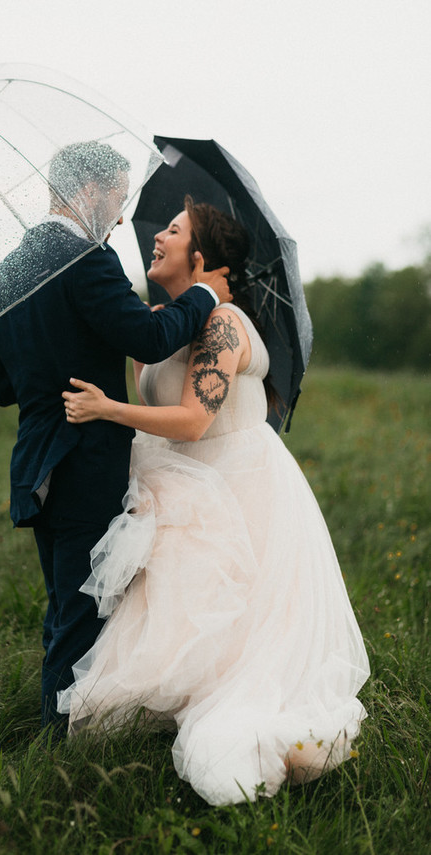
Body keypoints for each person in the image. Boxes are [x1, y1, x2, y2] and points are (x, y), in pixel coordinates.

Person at [58, 197, 370, 805]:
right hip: (181, 491)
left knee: (240, 633)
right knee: (183, 617)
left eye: (172, 232)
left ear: (200, 258)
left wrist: (106, 408)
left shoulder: (222, 324)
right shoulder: (162, 322)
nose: (157, 240)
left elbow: (195, 420)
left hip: (238, 487)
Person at [0, 144, 232, 733]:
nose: (121, 217)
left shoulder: (0, 278)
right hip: (85, 459)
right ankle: (58, 750)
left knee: (64, 602)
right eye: (118, 198)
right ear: (89, 189)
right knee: (83, 611)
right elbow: (147, 337)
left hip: (34, 463)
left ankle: (55, 723)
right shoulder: (84, 259)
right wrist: (204, 296)